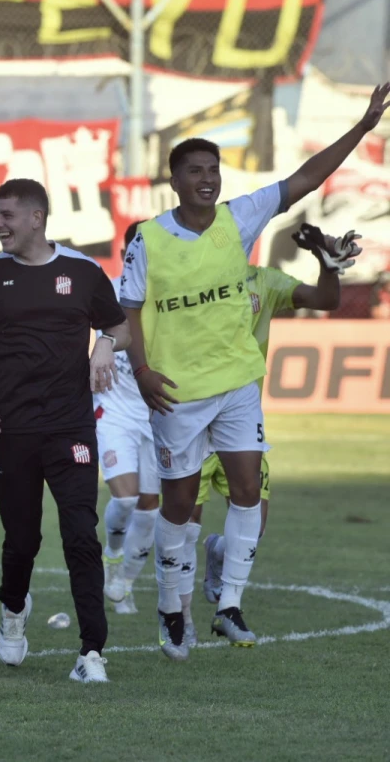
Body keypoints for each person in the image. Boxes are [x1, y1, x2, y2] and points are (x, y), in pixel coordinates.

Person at [120, 83, 388, 660]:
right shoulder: (148, 240)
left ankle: (231, 604)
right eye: (195, 170)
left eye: (213, 169)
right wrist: (140, 368)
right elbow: (129, 309)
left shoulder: (237, 218)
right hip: (176, 393)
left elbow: (306, 179)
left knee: (248, 490)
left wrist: (364, 127)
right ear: (175, 180)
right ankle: (171, 608)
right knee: (179, 506)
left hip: (237, 383)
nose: (208, 179)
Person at [0, 178, 130, 685]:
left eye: (6, 215)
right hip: (12, 428)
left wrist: (103, 346)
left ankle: (93, 652)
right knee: (22, 538)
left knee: (81, 536)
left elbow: (120, 327)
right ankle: (13, 609)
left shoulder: (83, 271)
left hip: (71, 425)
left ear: (36, 218)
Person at [196, 229, 354, 606]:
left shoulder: (263, 282)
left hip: (242, 421)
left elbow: (326, 300)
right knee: (183, 526)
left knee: (254, 528)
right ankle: (177, 617)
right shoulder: (188, 281)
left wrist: (327, 266)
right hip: (193, 420)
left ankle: (218, 553)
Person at [96, 223, 160, 619]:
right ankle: (113, 558)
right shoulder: (109, 292)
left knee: (150, 509)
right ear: (125, 254)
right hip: (114, 410)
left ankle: (126, 585)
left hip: (158, 414)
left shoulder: (173, 298)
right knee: (126, 498)